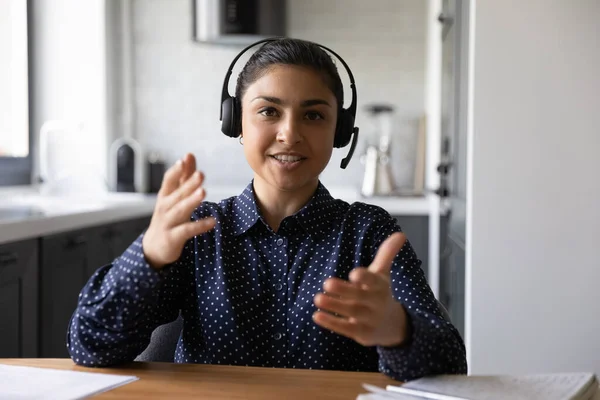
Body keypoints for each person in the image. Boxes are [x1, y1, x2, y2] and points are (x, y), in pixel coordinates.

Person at [66, 37, 467, 381]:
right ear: (236, 122)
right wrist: (148, 258)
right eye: (268, 111)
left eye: (313, 115)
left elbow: (452, 366)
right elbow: (88, 345)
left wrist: (399, 330)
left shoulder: (368, 233)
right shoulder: (198, 230)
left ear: (340, 132)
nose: (289, 133)